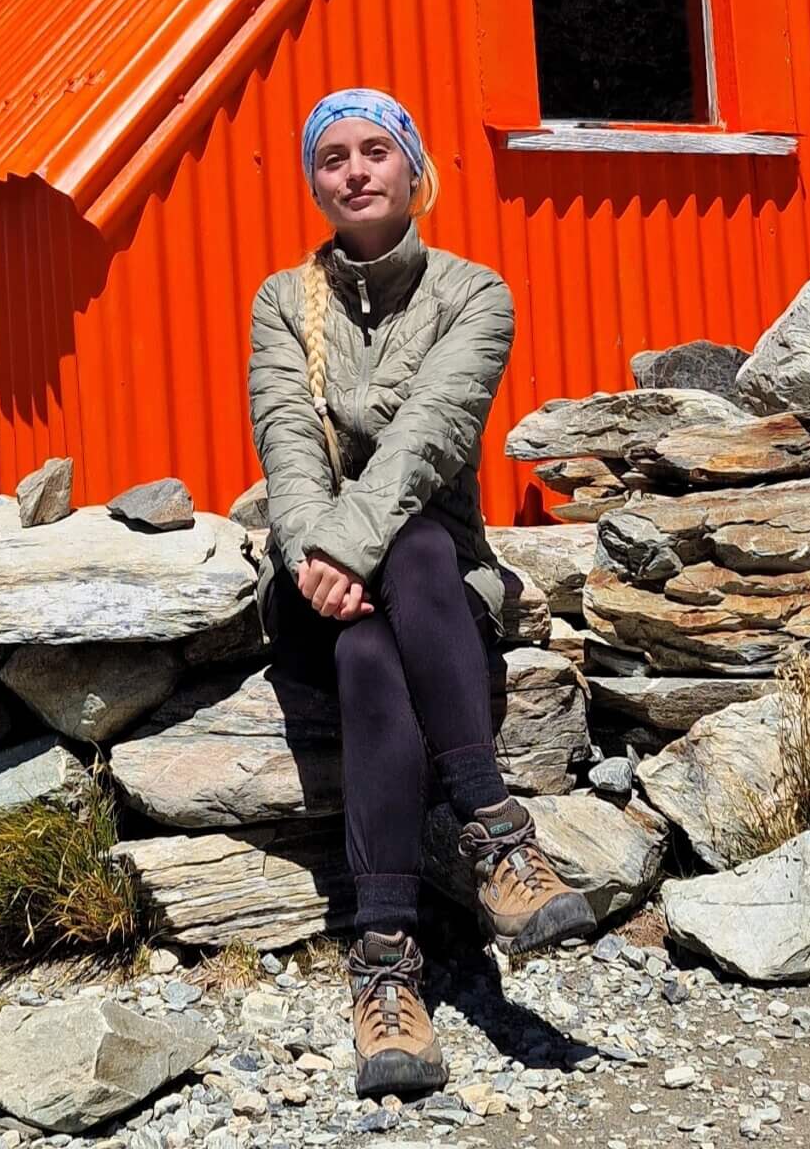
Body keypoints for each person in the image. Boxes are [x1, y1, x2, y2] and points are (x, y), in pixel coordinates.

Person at [246, 86, 596, 1100]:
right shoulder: (282, 301)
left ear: (411, 167)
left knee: (411, 569)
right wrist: (322, 557)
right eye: (332, 158)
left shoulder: (473, 293)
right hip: (316, 575)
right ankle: (498, 834)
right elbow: (287, 446)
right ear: (316, 181)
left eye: (373, 151)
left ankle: (384, 960)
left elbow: (428, 438)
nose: (354, 171)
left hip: (426, 575)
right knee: (377, 591)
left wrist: (355, 545)